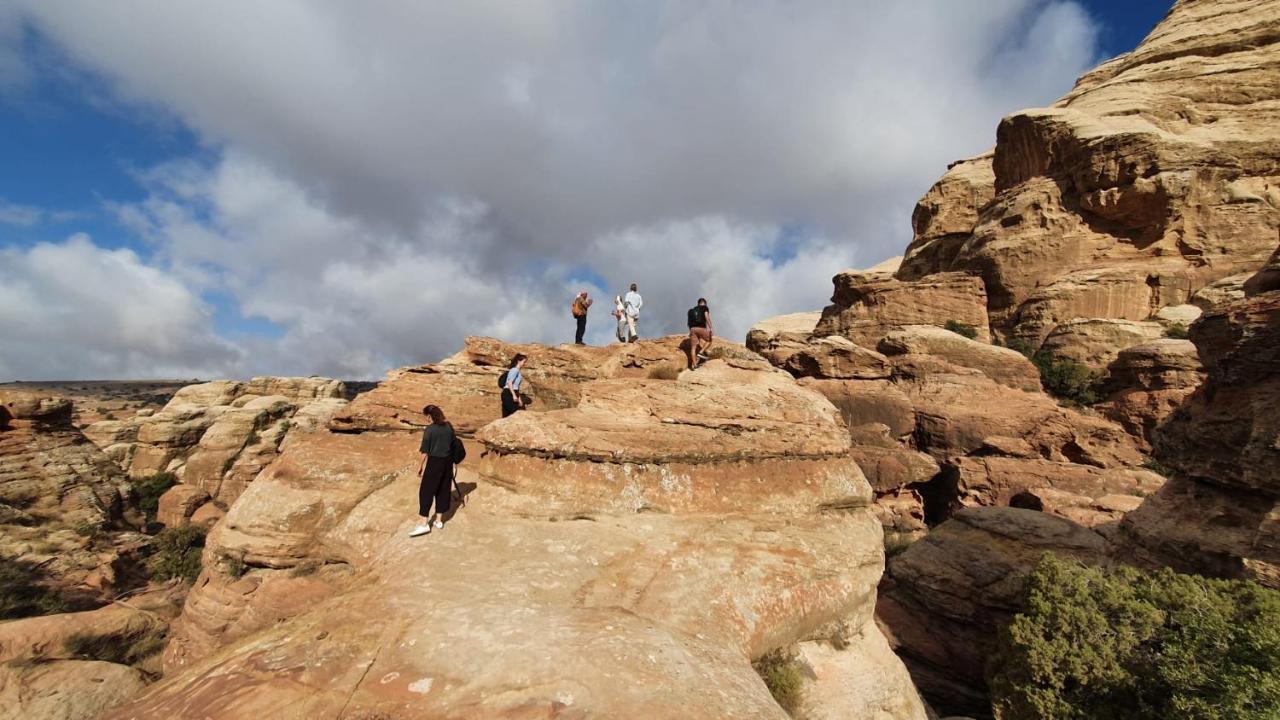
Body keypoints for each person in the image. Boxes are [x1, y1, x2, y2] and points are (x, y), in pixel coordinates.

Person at [410, 404, 455, 537]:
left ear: (430, 416)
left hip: (434, 462)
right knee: (443, 489)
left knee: (426, 492)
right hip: (447, 462)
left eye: (427, 417)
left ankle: (424, 524)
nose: (426, 420)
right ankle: (439, 521)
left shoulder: (430, 430)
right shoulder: (449, 426)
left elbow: (425, 450)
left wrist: (420, 466)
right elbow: (453, 444)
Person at [687, 297, 715, 368]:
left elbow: (689, 322)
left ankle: (695, 365)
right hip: (701, 328)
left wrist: (691, 331)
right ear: (704, 303)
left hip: (692, 329)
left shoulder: (691, 310)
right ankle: (700, 352)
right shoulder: (704, 308)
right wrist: (711, 328)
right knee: (710, 340)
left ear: (698, 303)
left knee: (693, 348)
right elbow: (707, 317)